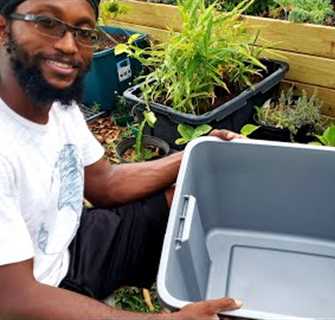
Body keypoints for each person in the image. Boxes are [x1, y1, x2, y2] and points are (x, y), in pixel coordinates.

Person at [0, 0, 243, 319]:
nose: (69, 45)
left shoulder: (57, 102)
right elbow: (13, 300)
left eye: (83, 32)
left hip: (67, 243)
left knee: (183, 200)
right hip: (31, 292)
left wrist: (195, 154)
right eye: (47, 23)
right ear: (4, 29)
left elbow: (104, 183)